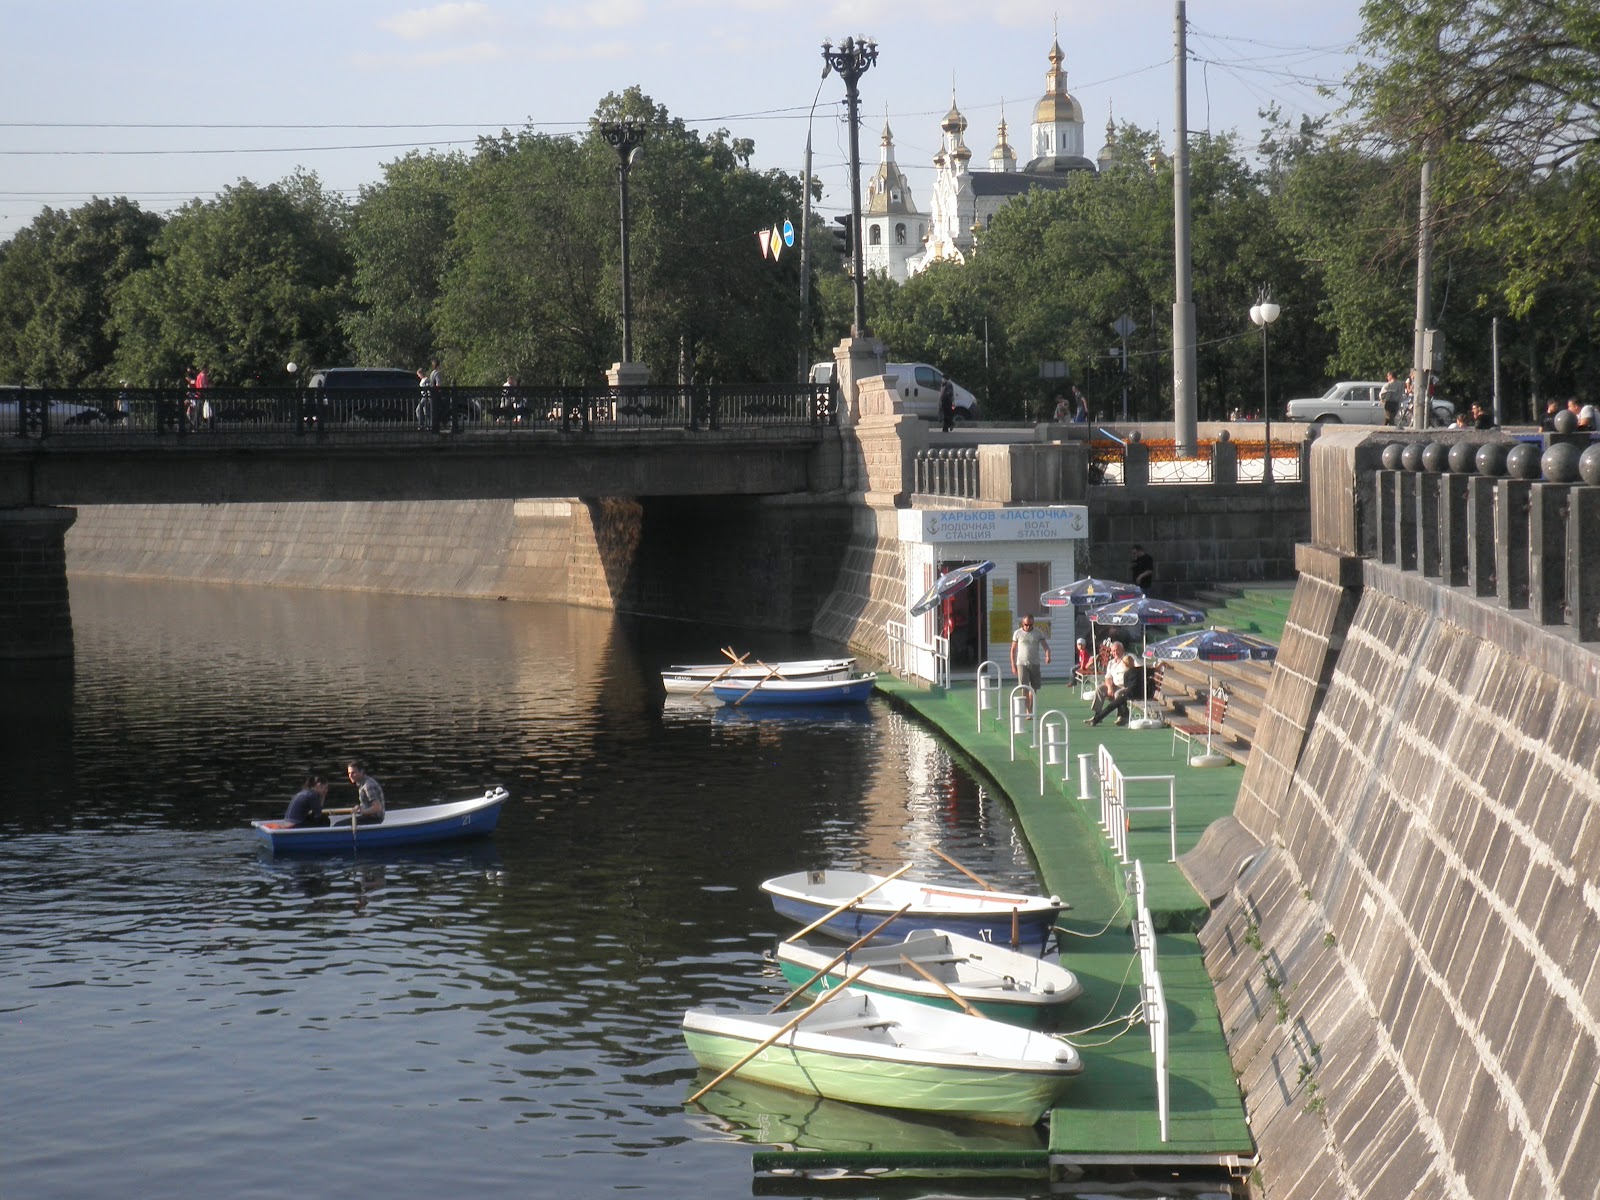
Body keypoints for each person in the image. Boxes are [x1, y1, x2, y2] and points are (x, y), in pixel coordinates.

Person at [1009, 613, 1050, 713]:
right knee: (1024, 688)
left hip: (1034, 663)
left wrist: (1048, 656)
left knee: (1034, 688)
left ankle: (1030, 707)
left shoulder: (1038, 633)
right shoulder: (1018, 633)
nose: (1028, 627)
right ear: (1022, 623)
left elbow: (1046, 646)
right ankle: (1028, 710)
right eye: (1026, 625)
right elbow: (1013, 650)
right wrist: (1013, 665)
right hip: (1021, 663)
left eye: (1030, 625)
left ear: (1033, 623)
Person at [346, 760, 385, 825]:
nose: (350, 775)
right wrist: (359, 807)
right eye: (349, 773)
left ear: (361, 772)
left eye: (353, 773)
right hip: (369, 817)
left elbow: (377, 808)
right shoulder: (361, 783)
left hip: (374, 819)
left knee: (339, 825)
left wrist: (361, 811)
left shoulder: (368, 785)